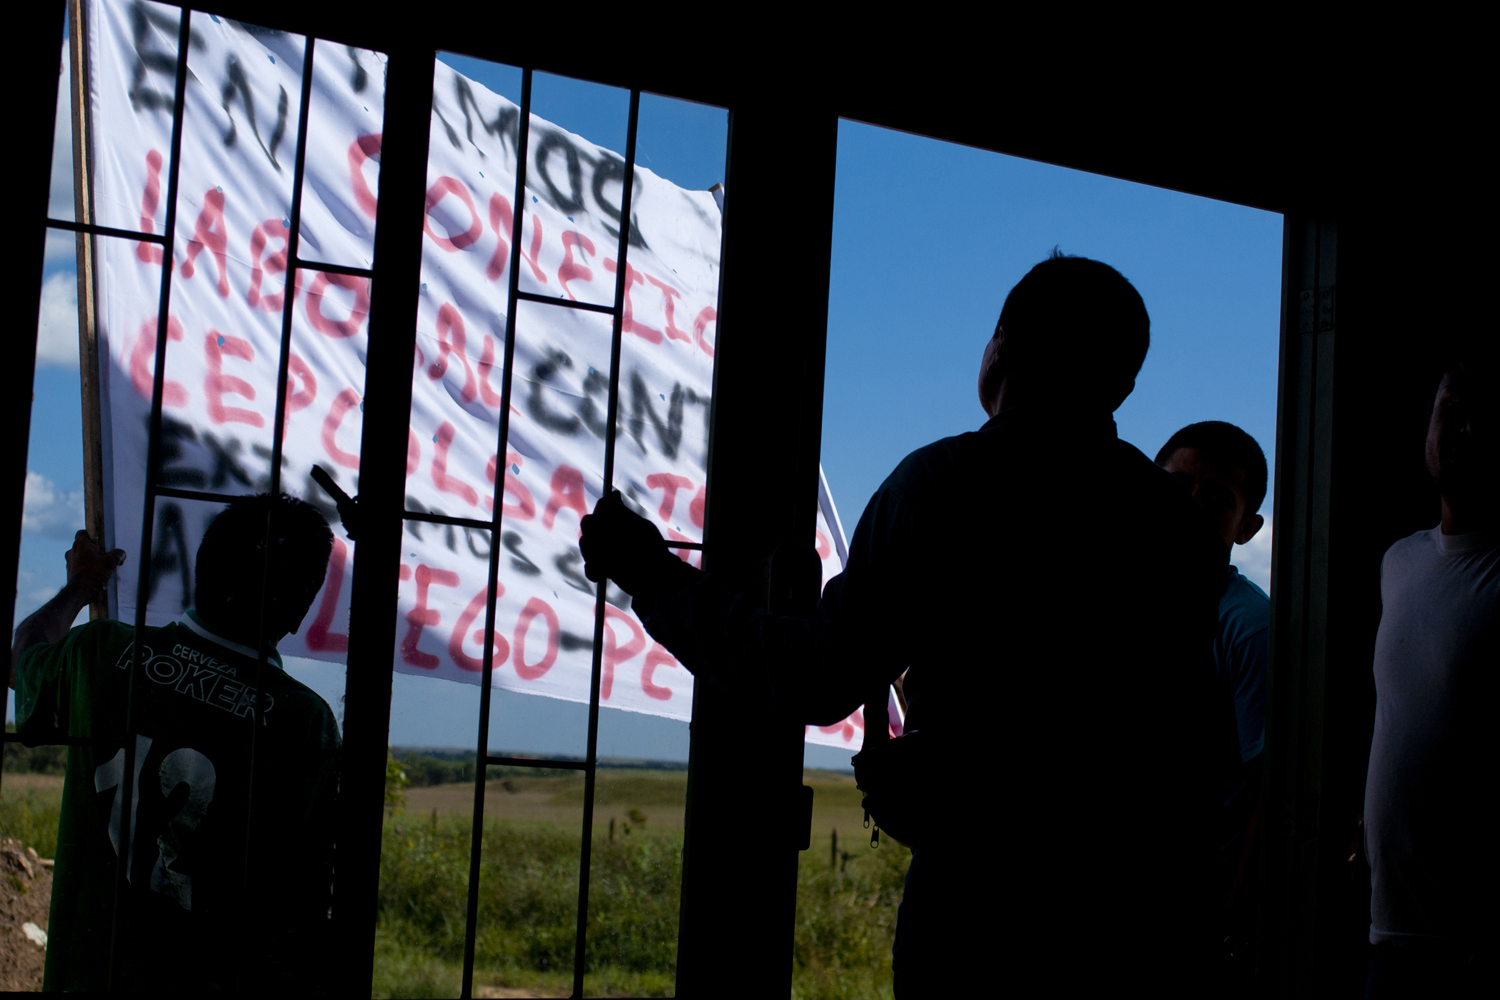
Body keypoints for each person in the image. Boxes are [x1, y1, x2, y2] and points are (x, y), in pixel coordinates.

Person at [580, 252, 1237, 994]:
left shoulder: (944, 485)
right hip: (1149, 919)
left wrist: (649, 572)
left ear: (1001, 346)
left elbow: (815, 675)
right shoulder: (1176, 527)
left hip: (984, 915)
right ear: (1121, 382)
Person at [9, 493, 341, 992]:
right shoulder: (303, 722)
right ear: (299, 613)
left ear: (200, 572)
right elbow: (308, 902)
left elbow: (23, 655)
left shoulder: (99, 652)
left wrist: (81, 585)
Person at [1362, 354, 1498, 998]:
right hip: (1388, 931)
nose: (1464, 429)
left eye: (1485, 415)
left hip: (1470, 948)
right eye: (1451, 410)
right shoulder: (1400, 562)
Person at [1155, 421, 1271, 942]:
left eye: (1218, 498)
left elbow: (1265, 793)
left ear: (1247, 526)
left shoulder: (1247, 627)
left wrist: (1227, 925)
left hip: (1191, 910)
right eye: (1176, 487)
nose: (1191, 505)